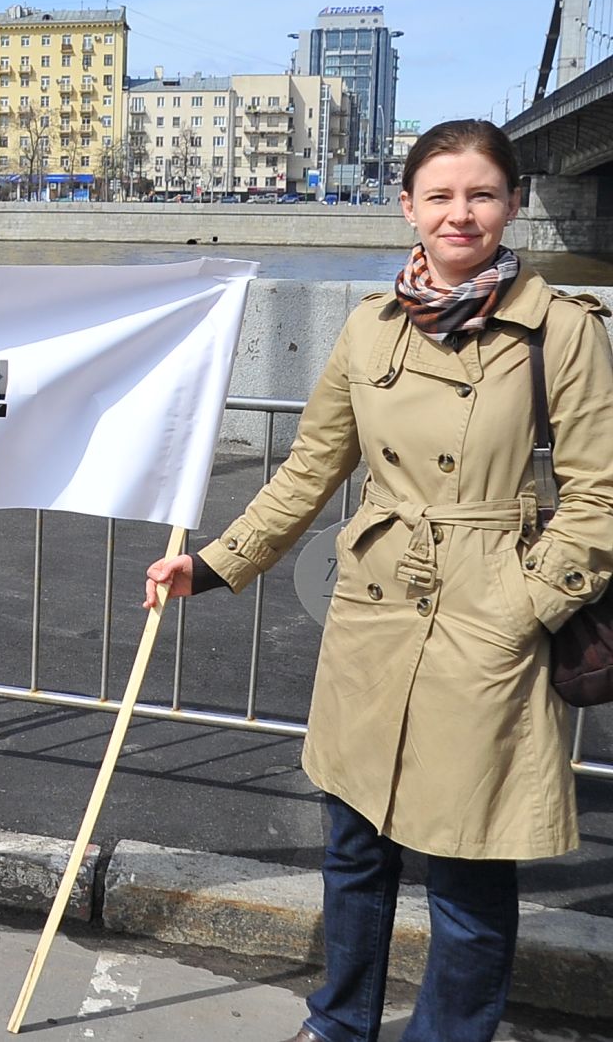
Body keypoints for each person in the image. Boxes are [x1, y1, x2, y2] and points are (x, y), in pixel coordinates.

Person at [143, 119, 613, 1042]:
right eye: (439, 195)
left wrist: (526, 604)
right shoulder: (369, 326)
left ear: (513, 203)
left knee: (470, 863)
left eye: (481, 193)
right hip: (376, 611)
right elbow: (309, 471)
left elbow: (601, 495)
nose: (460, 213)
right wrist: (213, 563)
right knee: (355, 848)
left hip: (491, 618)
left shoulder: (559, 327)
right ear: (406, 208)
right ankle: (338, 1026)